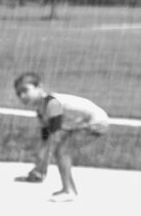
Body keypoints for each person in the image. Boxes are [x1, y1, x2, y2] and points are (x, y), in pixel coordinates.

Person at [13, 72, 109, 201]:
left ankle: (69, 191)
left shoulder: (51, 103)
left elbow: (54, 136)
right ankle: (41, 174)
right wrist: (39, 168)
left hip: (96, 122)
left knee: (62, 151)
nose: (22, 96)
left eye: (25, 90)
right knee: (57, 149)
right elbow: (45, 139)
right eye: (18, 93)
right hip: (80, 124)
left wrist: (44, 156)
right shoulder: (41, 109)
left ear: (39, 87)